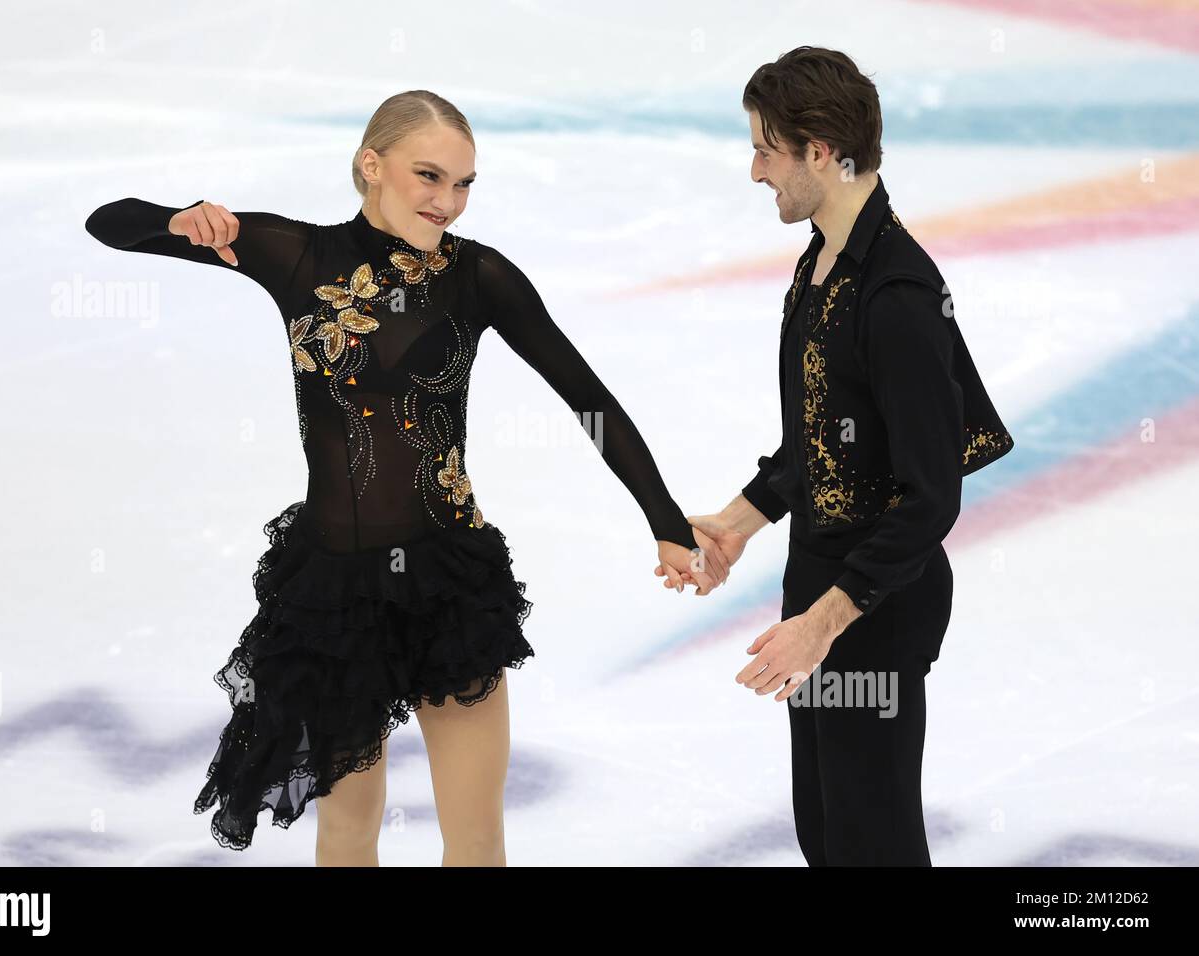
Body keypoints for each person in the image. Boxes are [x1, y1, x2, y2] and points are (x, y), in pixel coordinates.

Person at [84, 90, 730, 864]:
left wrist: (662, 519)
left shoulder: (479, 277)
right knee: (349, 827)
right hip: (332, 592)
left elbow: (589, 399)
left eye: (463, 184)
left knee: (477, 833)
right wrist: (178, 215)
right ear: (371, 165)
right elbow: (110, 221)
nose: (448, 201)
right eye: (430, 176)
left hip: (447, 583)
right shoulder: (295, 256)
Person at [673, 47, 1014, 865]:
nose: (756, 171)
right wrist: (736, 522)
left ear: (820, 150)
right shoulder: (821, 266)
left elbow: (931, 498)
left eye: (766, 148)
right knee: (827, 836)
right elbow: (821, 439)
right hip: (819, 599)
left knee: (873, 841)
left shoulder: (895, 295)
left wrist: (824, 623)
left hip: (874, 612)